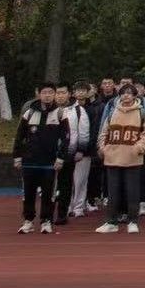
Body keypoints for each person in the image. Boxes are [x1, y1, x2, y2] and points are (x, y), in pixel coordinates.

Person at [96, 85, 145, 233]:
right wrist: (103, 148)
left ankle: (132, 221)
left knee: (132, 192)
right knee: (113, 192)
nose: (126, 96)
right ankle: (112, 222)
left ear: (135, 96)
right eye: (123, 93)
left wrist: (138, 148)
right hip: (113, 157)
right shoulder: (112, 112)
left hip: (133, 159)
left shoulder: (142, 113)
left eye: (129, 93)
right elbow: (104, 133)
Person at [13, 86, 67, 234]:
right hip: (29, 161)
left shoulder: (60, 114)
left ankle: (46, 221)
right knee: (28, 193)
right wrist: (17, 156)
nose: (47, 95)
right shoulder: (29, 113)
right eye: (44, 93)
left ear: (54, 95)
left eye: (50, 93)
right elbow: (19, 136)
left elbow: (65, 138)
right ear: (39, 94)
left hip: (50, 163)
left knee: (48, 193)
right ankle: (28, 221)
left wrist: (60, 158)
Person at [56, 83, 92, 226]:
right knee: (56, 184)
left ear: (69, 94)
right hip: (53, 153)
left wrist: (80, 150)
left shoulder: (78, 110)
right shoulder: (51, 110)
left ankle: (77, 207)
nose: (60, 96)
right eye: (58, 93)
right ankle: (61, 209)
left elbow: (83, 132)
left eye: (63, 93)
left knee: (76, 181)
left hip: (71, 152)